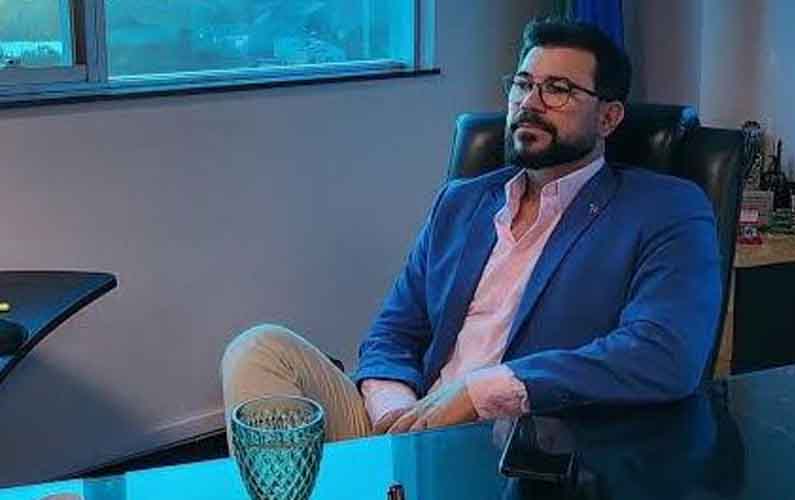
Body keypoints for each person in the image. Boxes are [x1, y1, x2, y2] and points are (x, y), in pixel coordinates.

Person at [221, 18, 722, 444]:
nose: (530, 103)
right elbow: (395, 330)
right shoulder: (461, 202)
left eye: (558, 89)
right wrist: (393, 409)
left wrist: (482, 391)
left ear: (609, 117)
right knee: (259, 349)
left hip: (518, 446)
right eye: (522, 84)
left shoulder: (665, 209)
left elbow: (664, 353)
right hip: (409, 427)